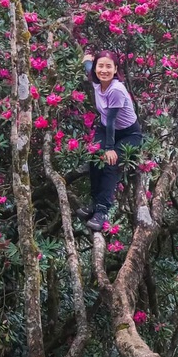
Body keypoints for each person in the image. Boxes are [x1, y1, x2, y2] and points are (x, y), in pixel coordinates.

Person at [78, 51, 142, 231]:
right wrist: (87, 61)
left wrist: (109, 148)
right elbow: (90, 68)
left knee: (109, 162)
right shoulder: (97, 82)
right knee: (94, 158)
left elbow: (113, 120)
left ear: (115, 70)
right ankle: (94, 202)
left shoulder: (116, 89)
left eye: (109, 66)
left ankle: (102, 210)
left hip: (129, 134)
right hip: (106, 128)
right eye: (101, 66)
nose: (104, 70)